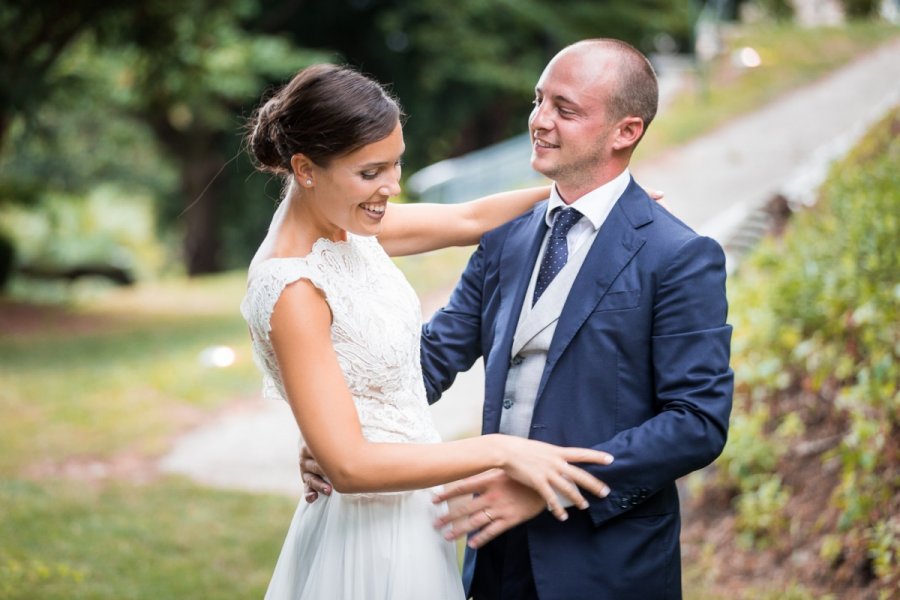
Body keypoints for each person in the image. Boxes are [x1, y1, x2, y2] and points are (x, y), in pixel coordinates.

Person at [303, 39, 734, 599]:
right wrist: (340, 431)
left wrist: (548, 488)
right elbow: (432, 357)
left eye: (566, 109)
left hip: (607, 563)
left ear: (626, 131)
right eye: (539, 100)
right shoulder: (507, 236)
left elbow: (697, 421)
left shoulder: (678, 255)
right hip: (494, 553)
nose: (540, 121)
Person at [239, 63, 617, 600]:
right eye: (371, 173)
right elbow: (348, 464)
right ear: (305, 168)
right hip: (368, 536)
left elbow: (468, 220)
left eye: (395, 165)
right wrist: (501, 450)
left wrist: (595, 202)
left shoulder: (346, 223)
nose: (390, 188)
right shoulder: (292, 287)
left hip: (413, 511)